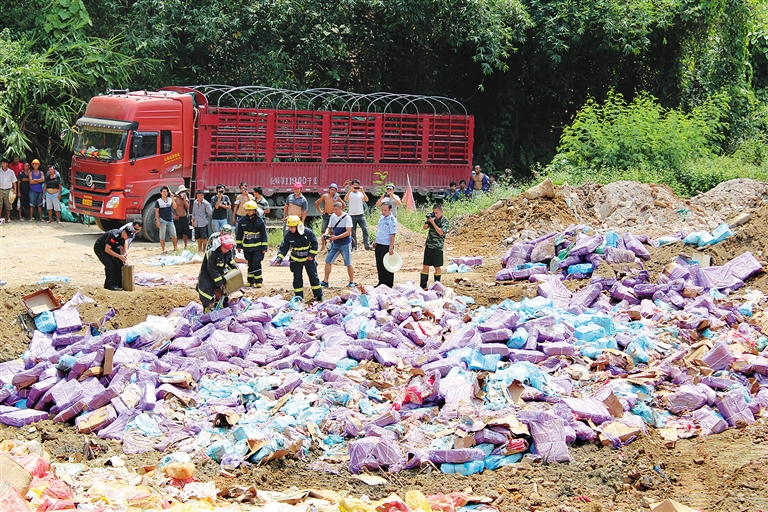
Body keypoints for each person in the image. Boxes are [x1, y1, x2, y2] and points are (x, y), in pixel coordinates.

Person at [273, 215, 322, 302]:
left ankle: (319, 296)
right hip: (295, 260)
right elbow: (284, 248)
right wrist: (279, 259)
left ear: (298, 226)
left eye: (292, 227)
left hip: (308, 259)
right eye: (289, 227)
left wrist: (311, 255)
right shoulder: (289, 235)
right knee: (297, 279)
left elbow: (314, 244)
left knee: (313, 277)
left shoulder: (308, 232)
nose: (290, 229)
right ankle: (299, 297)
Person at [197, 232, 237, 312]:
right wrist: (220, 283)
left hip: (217, 276)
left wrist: (234, 266)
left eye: (228, 249)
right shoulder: (212, 253)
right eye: (225, 248)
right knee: (208, 295)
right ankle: (208, 309)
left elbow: (230, 260)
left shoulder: (227, 251)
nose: (226, 251)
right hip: (207, 278)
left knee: (222, 293)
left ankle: (220, 307)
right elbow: (212, 269)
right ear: (220, 245)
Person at [320, 202, 355, 288]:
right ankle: (325, 281)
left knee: (348, 263)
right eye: (333, 209)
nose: (334, 211)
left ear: (341, 208)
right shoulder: (333, 216)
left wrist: (336, 237)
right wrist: (326, 234)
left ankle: (351, 281)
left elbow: (348, 232)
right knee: (328, 261)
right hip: (335, 243)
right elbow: (329, 227)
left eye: (336, 209)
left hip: (345, 243)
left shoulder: (347, 217)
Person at [236, 200, 268, 287]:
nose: (249, 212)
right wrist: (239, 246)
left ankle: (258, 281)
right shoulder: (242, 221)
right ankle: (250, 281)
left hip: (258, 247)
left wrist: (264, 247)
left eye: (250, 210)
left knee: (256, 262)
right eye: (248, 210)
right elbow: (239, 234)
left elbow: (264, 234)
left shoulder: (259, 221)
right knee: (250, 263)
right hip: (247, 247)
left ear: (254, 210)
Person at [94, 224, 134, 290]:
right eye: (127, 235)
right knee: (110, 264)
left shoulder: (123, 237)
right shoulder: (114, 235)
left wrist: (123, 259)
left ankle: (118, 283)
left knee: (118, 263)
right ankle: (109, 285)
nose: (127, 238)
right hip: (101, 248)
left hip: (111, 248)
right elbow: (107, 249)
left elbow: (121, 249)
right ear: (124, 232)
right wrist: (119, 256)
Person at [420, 203, 449, 290]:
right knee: (425, 265)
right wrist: (428, 220)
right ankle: (423, 286)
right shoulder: (433, 219)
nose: (435, 215)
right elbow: (425, 227)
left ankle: (437, 285)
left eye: (437, 213)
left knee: (437, 267)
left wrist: (433, 223)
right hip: (429, 245)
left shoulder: (444, 221)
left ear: (441, 211)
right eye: (434, 213)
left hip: (438, 247)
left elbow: (441, 232)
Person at [372, 201, 398, 288]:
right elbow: (379, 230)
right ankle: (381, 282)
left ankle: (388, 284)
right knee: (379, 265)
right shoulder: (381, 218)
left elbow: (393, 235)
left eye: (385, 210)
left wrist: (391, 247)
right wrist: (375, 241)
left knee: (387, 265)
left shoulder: (392, 220)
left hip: (386, 245)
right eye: (382, 210)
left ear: (390, 210)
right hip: (379, 244)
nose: (383, 212)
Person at [344, 179, 371, 251]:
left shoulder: (360, 193)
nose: (356, 187)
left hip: (361, 215)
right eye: (354, 186)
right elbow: (345, 199)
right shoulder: (350, 193)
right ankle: (354, 246)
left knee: (365, 230)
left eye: (357, 186)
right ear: (352, 186)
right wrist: (350, 190)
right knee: (353, 232)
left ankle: (367, 245)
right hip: (352, 215)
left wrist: (363, 191)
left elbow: (366, 199)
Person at [155, 186, 178, 253]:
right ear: (161, 193)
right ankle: (163, 249)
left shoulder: (170, 200)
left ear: (168, 193)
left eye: (166, 192)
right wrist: (157, 221)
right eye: (163, 192)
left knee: (174, 234)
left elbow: (175, 207)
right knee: (162, 236)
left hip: (170, 220)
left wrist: (172, 199)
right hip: (162, 220)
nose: (165, 193)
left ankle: (175, 247)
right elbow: (156, 212)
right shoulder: (158, 201)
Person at [173, 185, 191, 249]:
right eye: (182, 192)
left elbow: (187, 207)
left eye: (184, 191)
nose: (183, 193)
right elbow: (169, 208)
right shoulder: (175, 199)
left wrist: (184, 200)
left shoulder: (186, 199)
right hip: (178, 218)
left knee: (185, 232)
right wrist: (173, 215)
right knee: (176, 233)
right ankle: (175, 246)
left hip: (184, 217)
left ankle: (185, 245)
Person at [0, 158, 18, 223]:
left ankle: (8, 218)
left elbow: (14, 182)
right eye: (2, 163)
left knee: (8, 205)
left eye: (4, 163)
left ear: (7, 164)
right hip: (0, 189)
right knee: (0, 204)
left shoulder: (11, 172)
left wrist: (15, 190)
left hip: (8, 190)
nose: (2, 164)